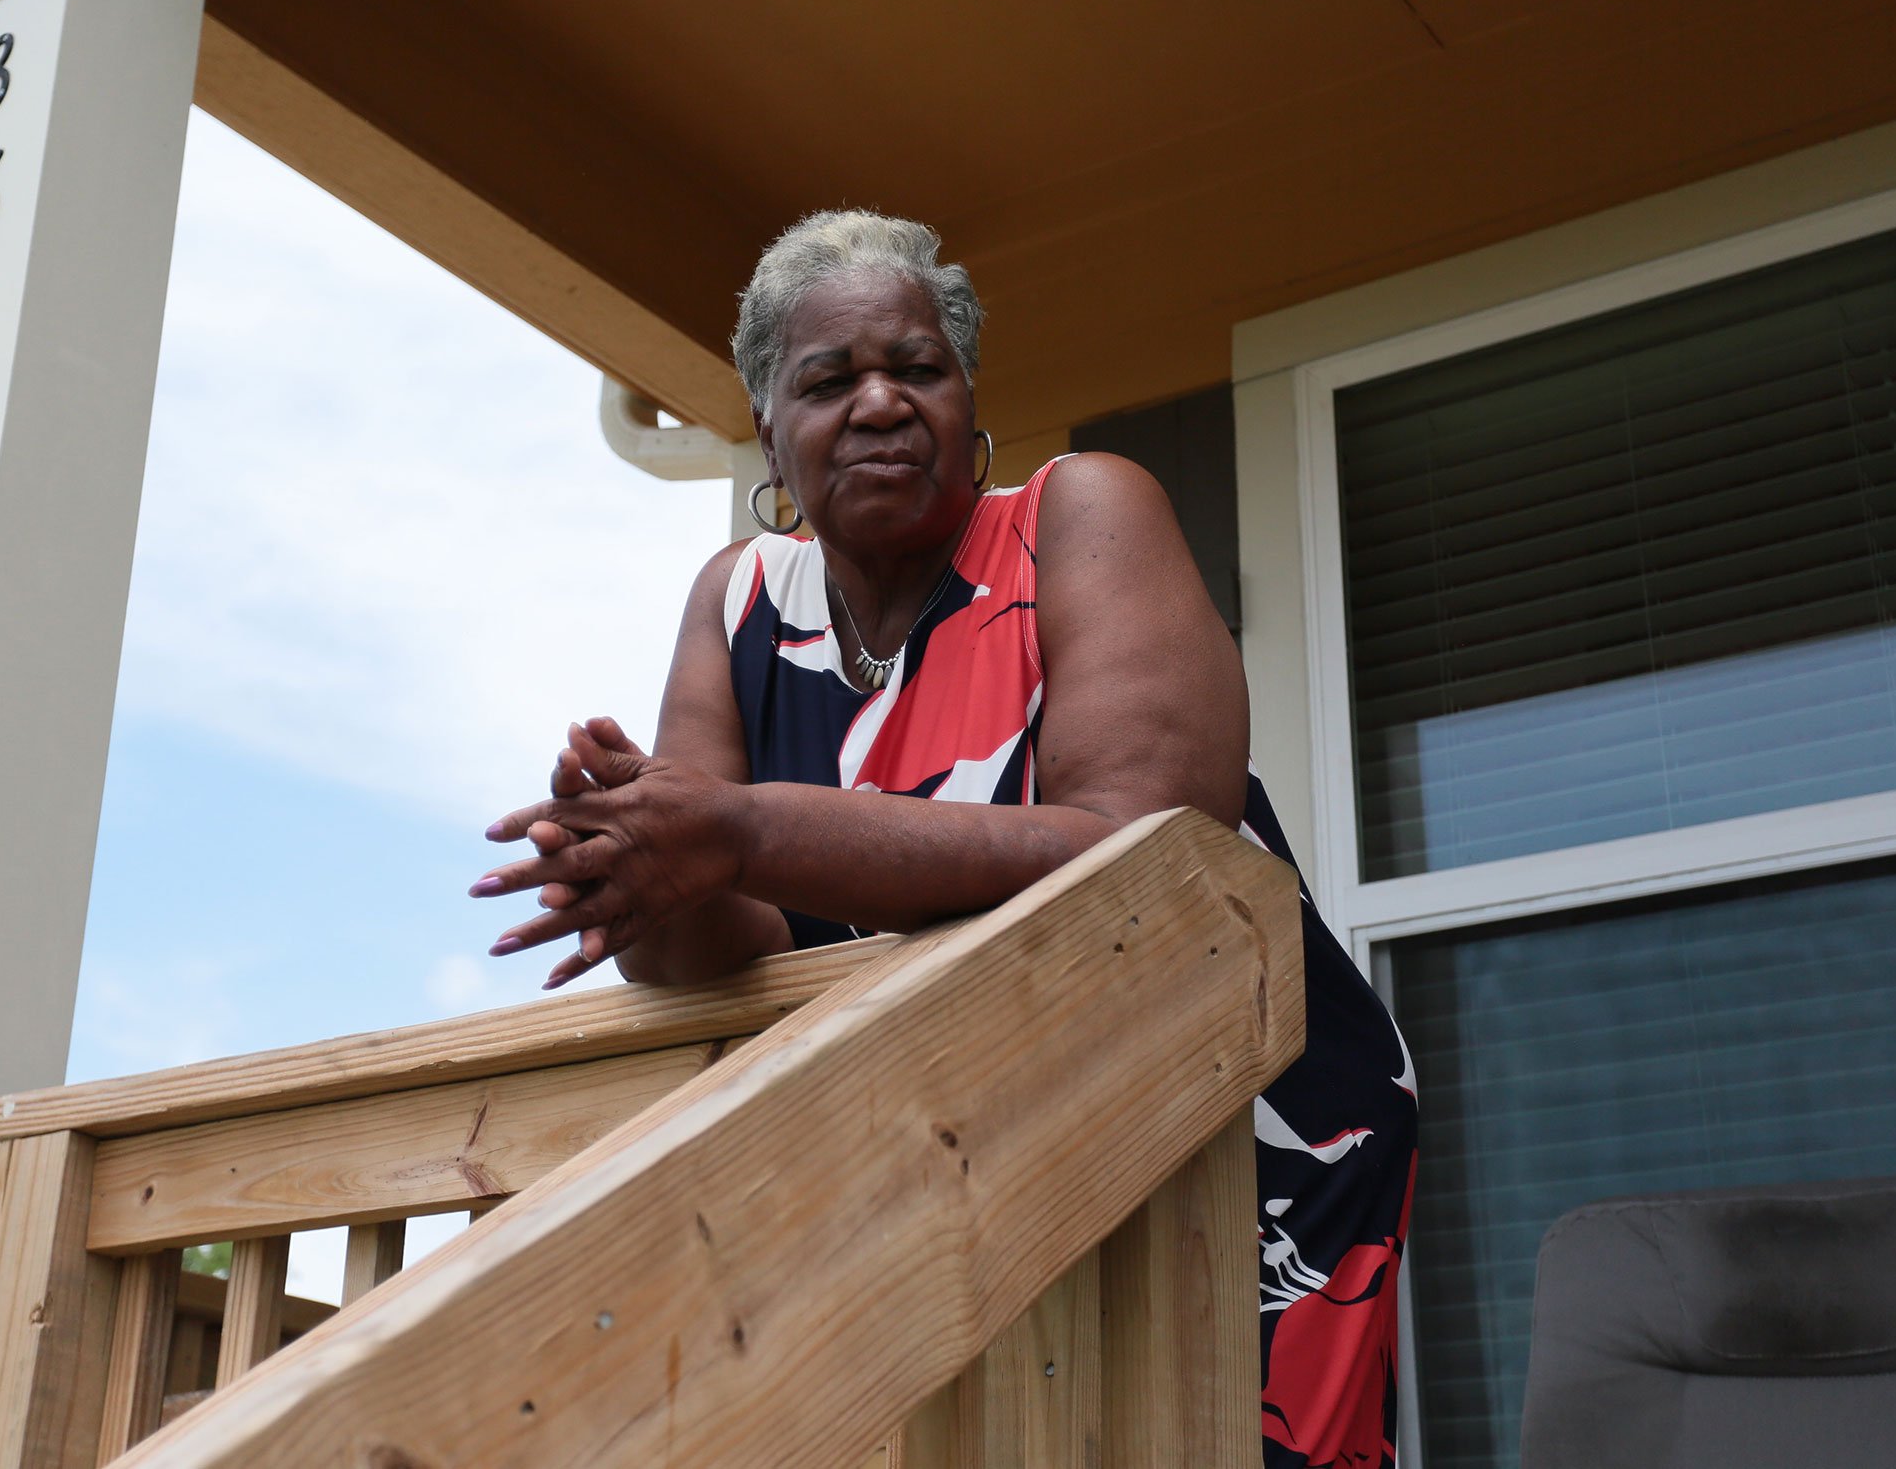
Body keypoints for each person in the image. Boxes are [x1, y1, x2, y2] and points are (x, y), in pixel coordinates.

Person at [471, 211, 1417, 1468]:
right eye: (826, 379)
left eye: (915, 368)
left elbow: (1143, 854)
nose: (877, 403)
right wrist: (637, 858)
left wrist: (738, 826)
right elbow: (716, 945)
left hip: (1235, 1137)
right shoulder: (740, 599)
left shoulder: (1080, 516)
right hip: (943, 1156)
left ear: (968, 398)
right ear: (769, 427)